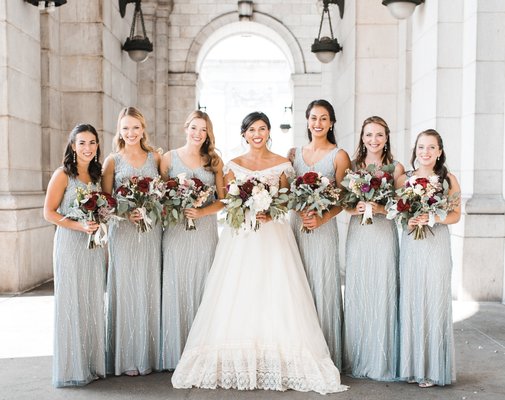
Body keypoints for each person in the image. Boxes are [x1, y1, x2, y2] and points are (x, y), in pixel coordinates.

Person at [171, 112, 348, 394]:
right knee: (239, 292)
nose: (257, 133)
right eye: (252, 129)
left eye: (262, 128)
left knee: (275, 292)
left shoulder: (283, 164)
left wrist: (271, 210)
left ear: (268, 132)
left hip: (274, 236)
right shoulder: (232, 165)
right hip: (241, 237)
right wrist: (247, 207)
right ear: (243, 134)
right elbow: (228, 201)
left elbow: (289, 199)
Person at [160, 110, 225, 370]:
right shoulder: (168, 159)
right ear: (185, 128)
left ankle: (202, 352)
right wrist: (176, 204)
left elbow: (223, 200)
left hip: (205, 232)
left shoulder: (214, 161)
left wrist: (200, 210)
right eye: (194, 128)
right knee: (176, 286)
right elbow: (159, 195)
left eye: (204, 129)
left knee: (203, 286)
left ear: (208, 134)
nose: (198, 134)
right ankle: (175, 351)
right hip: (176, 232)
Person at [288, 99, 351, 368]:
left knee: (323, 284)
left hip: (324, 229)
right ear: (307, 120)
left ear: (332, 122)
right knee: (296, 283)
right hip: (297, 226)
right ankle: (297, 351)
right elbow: (285, 192)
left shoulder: (339, 155)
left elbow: (345, 198)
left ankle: (325, 353)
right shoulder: (293, 154)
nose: (318, 123)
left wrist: (322, 218)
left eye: (324, 118)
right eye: (314, 118)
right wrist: (299, 211)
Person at [396, 129, 461, 387]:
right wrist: (408, 219)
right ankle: (412, 367)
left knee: (434, 300)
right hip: (412, 243)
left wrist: (432, 217)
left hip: (437, 245)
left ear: (439, 152)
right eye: (421, 147)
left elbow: (455, 215)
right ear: (415, 150)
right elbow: (396, 212)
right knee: (412, 299)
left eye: (431, 147)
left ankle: (433, 369)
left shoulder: (448, 179)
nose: (425, 152)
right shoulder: (403, 180)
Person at [342, 116, 404, 380]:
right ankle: (357, 356)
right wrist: (351, 207)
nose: (374, 140)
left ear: (387, 137)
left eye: (379, 135)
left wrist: (380, 208)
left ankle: (382, 359)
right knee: (359, 288)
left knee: (382, 288)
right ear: (362, 137)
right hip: (359, 232)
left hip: (383, 234)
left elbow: (401, 207)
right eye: (369, 135)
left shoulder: (396, 168)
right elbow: (343, 201)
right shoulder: (352, 167)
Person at [44, 123, 106, 387]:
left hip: (91, 247)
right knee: (72, 301)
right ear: (72, 146)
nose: (87, 148)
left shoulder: (95, 176)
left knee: (91, 299)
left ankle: (90, 364)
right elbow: (49, 212)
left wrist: (100, 220)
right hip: (70, 244)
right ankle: (72, 368)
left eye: (92, 143)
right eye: (82, 143)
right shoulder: (63, 175)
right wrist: (78, 225)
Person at [102, 106, 162, 376]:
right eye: (125, 128)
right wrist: (126, 212)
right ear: (119, 130)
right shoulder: (112, 161)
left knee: (148, 285)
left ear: (143, 128)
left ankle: (148, 355)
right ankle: (125, 357)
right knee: (125, 287)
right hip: (123, 232)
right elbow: (105, 203)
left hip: (151, 231)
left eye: (135, 127)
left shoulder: (155, 158)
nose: (131, 133)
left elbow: (163, 193)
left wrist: (148, 209)